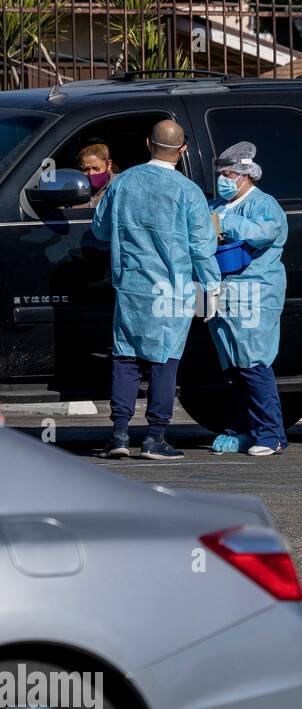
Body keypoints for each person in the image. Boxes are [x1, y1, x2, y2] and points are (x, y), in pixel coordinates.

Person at [92, 119, 219, 460]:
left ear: (148, 142)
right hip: (172, 290)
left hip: (131, 286)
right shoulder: (187, 191)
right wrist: (211, 292)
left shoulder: (122, 184)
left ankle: (119, 436)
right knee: (164, 361)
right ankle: (155, 438)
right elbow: (202, 248)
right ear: (183, 149)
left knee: (125, 358)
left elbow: (101, 231)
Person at [205, 141, 290, 457]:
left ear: (245, 174)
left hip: (254, 294)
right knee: (231, 367)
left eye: (228, 174)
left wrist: (225, 225)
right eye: (221, 174)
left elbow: (263, 232)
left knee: (254, 363)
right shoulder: (215, 206)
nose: (223, 180)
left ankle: (271, 434)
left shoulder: (264, 205)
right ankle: (241, 429)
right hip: (219, 295)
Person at [74, 143, 116, 208]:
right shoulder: (74, 188)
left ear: (109, 165)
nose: (91, 173)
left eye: (96, 168)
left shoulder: (119, 188)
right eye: (85, 169)